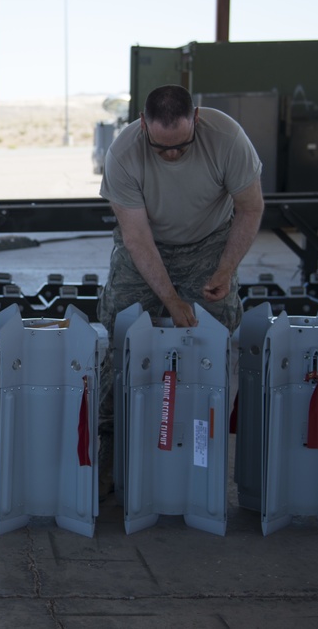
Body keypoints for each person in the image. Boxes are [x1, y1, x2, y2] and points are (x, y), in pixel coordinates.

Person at [96, 84, 265, 498]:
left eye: (181, 146)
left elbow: (250, 207)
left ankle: (197, 450)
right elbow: (137, 238)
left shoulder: (227, 139)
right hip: (148, 246)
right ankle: (108, 450)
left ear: (197, 119)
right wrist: (171, 299)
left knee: (216, 332)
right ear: (142, 126)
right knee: (116, 335)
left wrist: (226, 269)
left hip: (209, 244)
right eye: (161, 148)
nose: (171, 154)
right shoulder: (122, 153)